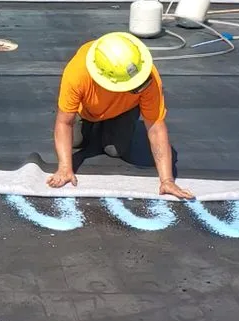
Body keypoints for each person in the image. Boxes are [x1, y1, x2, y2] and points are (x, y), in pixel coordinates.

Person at [48, 31, 194, 200]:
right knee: (76, 142)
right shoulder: (77, 73)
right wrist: (65, 167)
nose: (136, 87)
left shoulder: (146, 75)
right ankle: (93, 124)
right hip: (87, 110)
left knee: (114, 151)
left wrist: (167, 180)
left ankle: (113, 123)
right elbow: (64, 122)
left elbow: (155, 127)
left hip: (123, 110)